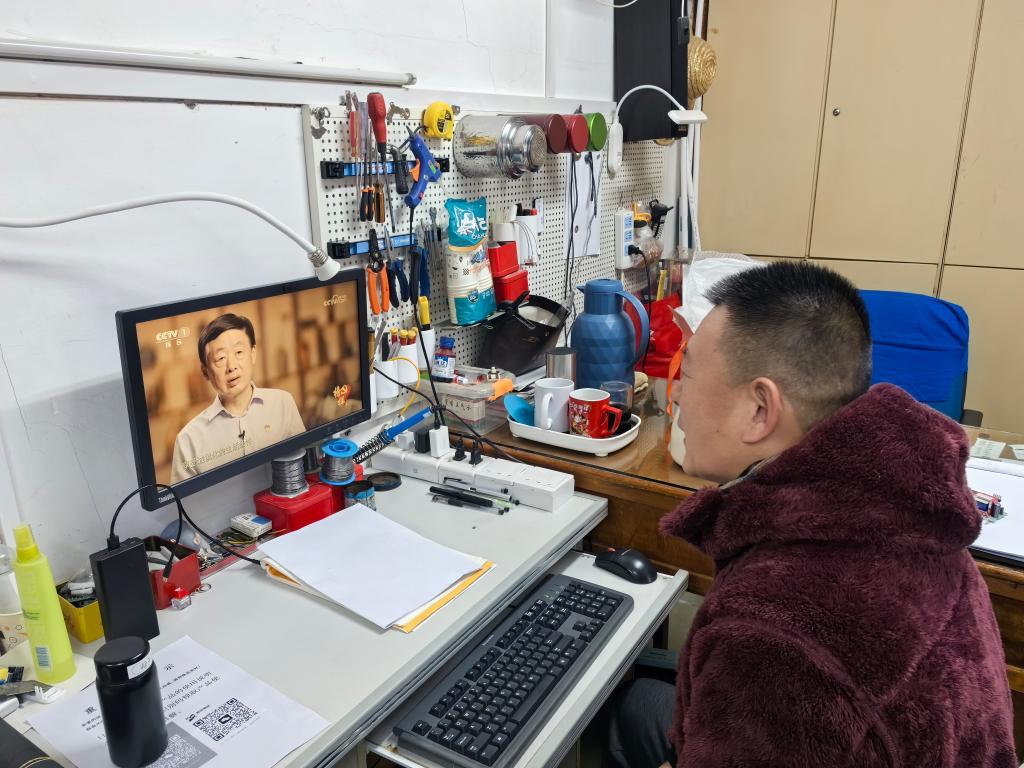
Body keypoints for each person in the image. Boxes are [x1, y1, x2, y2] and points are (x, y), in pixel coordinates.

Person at [608, 262, 1016, 767]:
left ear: (760, 409)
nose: (676, 395)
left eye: (686, 375)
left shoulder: (774, 635)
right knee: (639, 703)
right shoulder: (909, 510)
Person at [170, 313, 305, 483]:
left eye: (239, 352)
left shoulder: (282, 403)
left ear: (253, 354)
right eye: (220, 358)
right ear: (205, 372)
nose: (231, 366)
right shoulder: (188, 439)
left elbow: (304, 464)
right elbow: (185, 498)